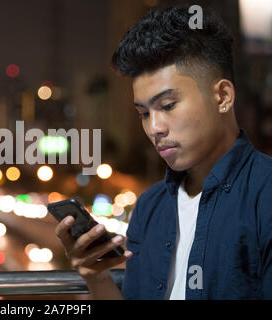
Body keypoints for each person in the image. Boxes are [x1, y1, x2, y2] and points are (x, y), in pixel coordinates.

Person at [55, 5, 272, 300]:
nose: (154, 127)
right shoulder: (149, 207)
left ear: (222, 97)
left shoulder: (264, 194)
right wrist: (96, 276)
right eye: (144, 113)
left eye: (168, 105)